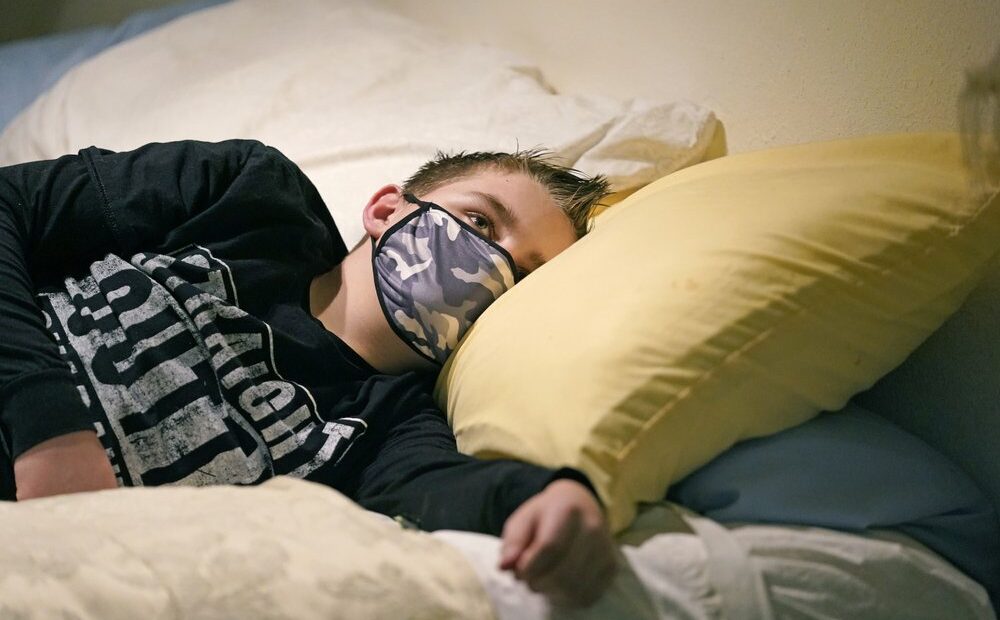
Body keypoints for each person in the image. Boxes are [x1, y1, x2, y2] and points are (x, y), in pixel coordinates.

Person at [0, 139, 616, 606]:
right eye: (481, 221)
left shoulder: (390, 430)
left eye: (525, 273)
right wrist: (47, 423)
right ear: (386, 210)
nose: (492, 262)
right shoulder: (250, 197)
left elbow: (453, 489)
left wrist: (553, 493)